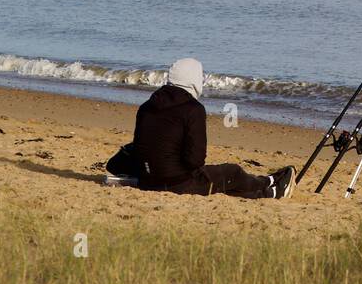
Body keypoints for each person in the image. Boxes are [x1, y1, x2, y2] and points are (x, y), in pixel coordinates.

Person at [106, 58, 294, 199]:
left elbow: (143, 145)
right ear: (194, 80)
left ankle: (268, 184)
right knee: (231, 172)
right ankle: (271, 187)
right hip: (177, 182)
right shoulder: (193, 109)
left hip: (147, 181)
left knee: (224, 182)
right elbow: (195, 160)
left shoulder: (147, 106)